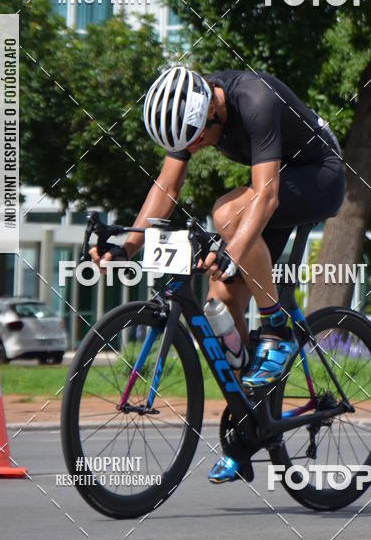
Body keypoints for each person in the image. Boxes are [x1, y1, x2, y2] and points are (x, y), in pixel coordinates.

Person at [90, 66, 345, 483]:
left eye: (198, 139)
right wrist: (128, 244)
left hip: (320, 176)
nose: (198, 147)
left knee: (227, 212)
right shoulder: (191, 112)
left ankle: (278, 330)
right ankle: (251, 423)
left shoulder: (255, 99)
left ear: (212, 108)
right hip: (274, 194)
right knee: (218, 303)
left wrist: (231, 251)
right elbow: (166, 188)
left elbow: (266, 195)